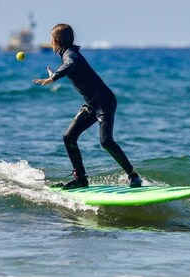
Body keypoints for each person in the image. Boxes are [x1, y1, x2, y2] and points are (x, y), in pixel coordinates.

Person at [33, 23, 142, 189]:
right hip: (92, 104)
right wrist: (56, 73)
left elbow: (70, 65)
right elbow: (68, 65)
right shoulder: (69, 53)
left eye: (51, 39)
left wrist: (54, 77)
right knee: (69, 137)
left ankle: (133, 176)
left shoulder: (70, 55)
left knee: (106, 142)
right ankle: (80, 179)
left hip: (104, 102)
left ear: (57, 40)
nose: (51, 42)